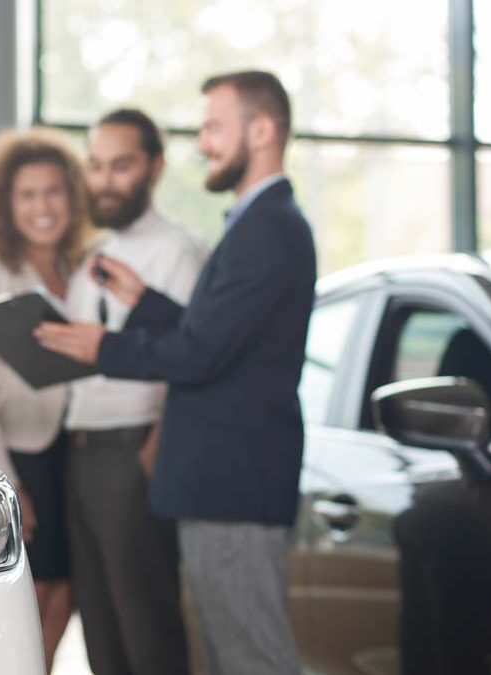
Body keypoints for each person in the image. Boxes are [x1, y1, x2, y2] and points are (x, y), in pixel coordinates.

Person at [35, 71, 317, 675]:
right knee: (229, 654)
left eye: (215, 127)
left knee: (250, 656)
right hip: (221, 481)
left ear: (262, 130)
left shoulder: (268, 228)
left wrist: (102, 347)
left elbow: (197, 356)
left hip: (234, 483)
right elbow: (213, 336)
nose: (204, 142)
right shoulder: (254, 223)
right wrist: (146, 302)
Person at [64, 108, 206, 675]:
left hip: (133, 452)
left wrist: (159, 443)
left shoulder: (179, 251)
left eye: (120, 166)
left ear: (155, 167)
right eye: (96, 165)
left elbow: (196, 357)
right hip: (81, 453)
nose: (104, 180)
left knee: (146, 628)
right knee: (100, 630)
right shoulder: (91, 257)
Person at [0, 127, 90, 672]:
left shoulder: (82, 270)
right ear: (5, 205)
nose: (42, 207)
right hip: (24, 454)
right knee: (35, 593)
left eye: (53, 192)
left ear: (72, 198)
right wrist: (10, 483)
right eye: (27, 195)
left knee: (67, 591)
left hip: (75, 452)